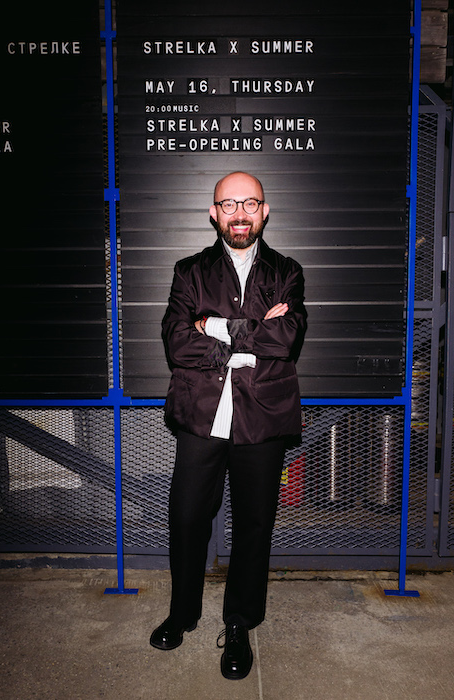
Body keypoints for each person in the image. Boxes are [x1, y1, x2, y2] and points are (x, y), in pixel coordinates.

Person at [150, 171, 307, 680]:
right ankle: (183, 613)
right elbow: (176, 341)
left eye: (250, 203)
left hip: (263, 415)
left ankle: (239, 623)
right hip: (202, 414)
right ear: (214, 212)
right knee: (186, 517)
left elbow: (286, 337)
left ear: (265, 210)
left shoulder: (287, 271)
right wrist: (250, 336)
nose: (240, 213)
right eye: (229, 204)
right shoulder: (189, 271)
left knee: (255, 524)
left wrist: (212, 326)